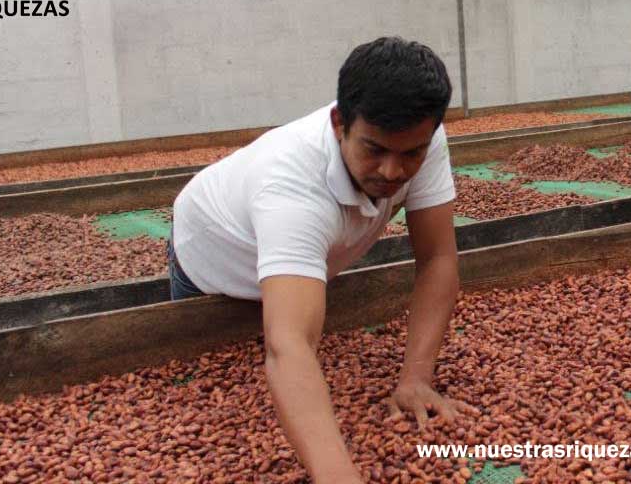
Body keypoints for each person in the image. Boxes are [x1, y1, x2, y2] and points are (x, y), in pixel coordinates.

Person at [168, 36, 474, 483]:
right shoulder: (291, 188)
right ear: (338, 123)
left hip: (300, 254)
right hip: (212, 263)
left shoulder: (422, 136)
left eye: (410, 154)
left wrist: (415, 377)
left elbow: (437, 259)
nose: (392, 171)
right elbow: (288, 344)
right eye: (374, 150)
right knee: (213, 385)